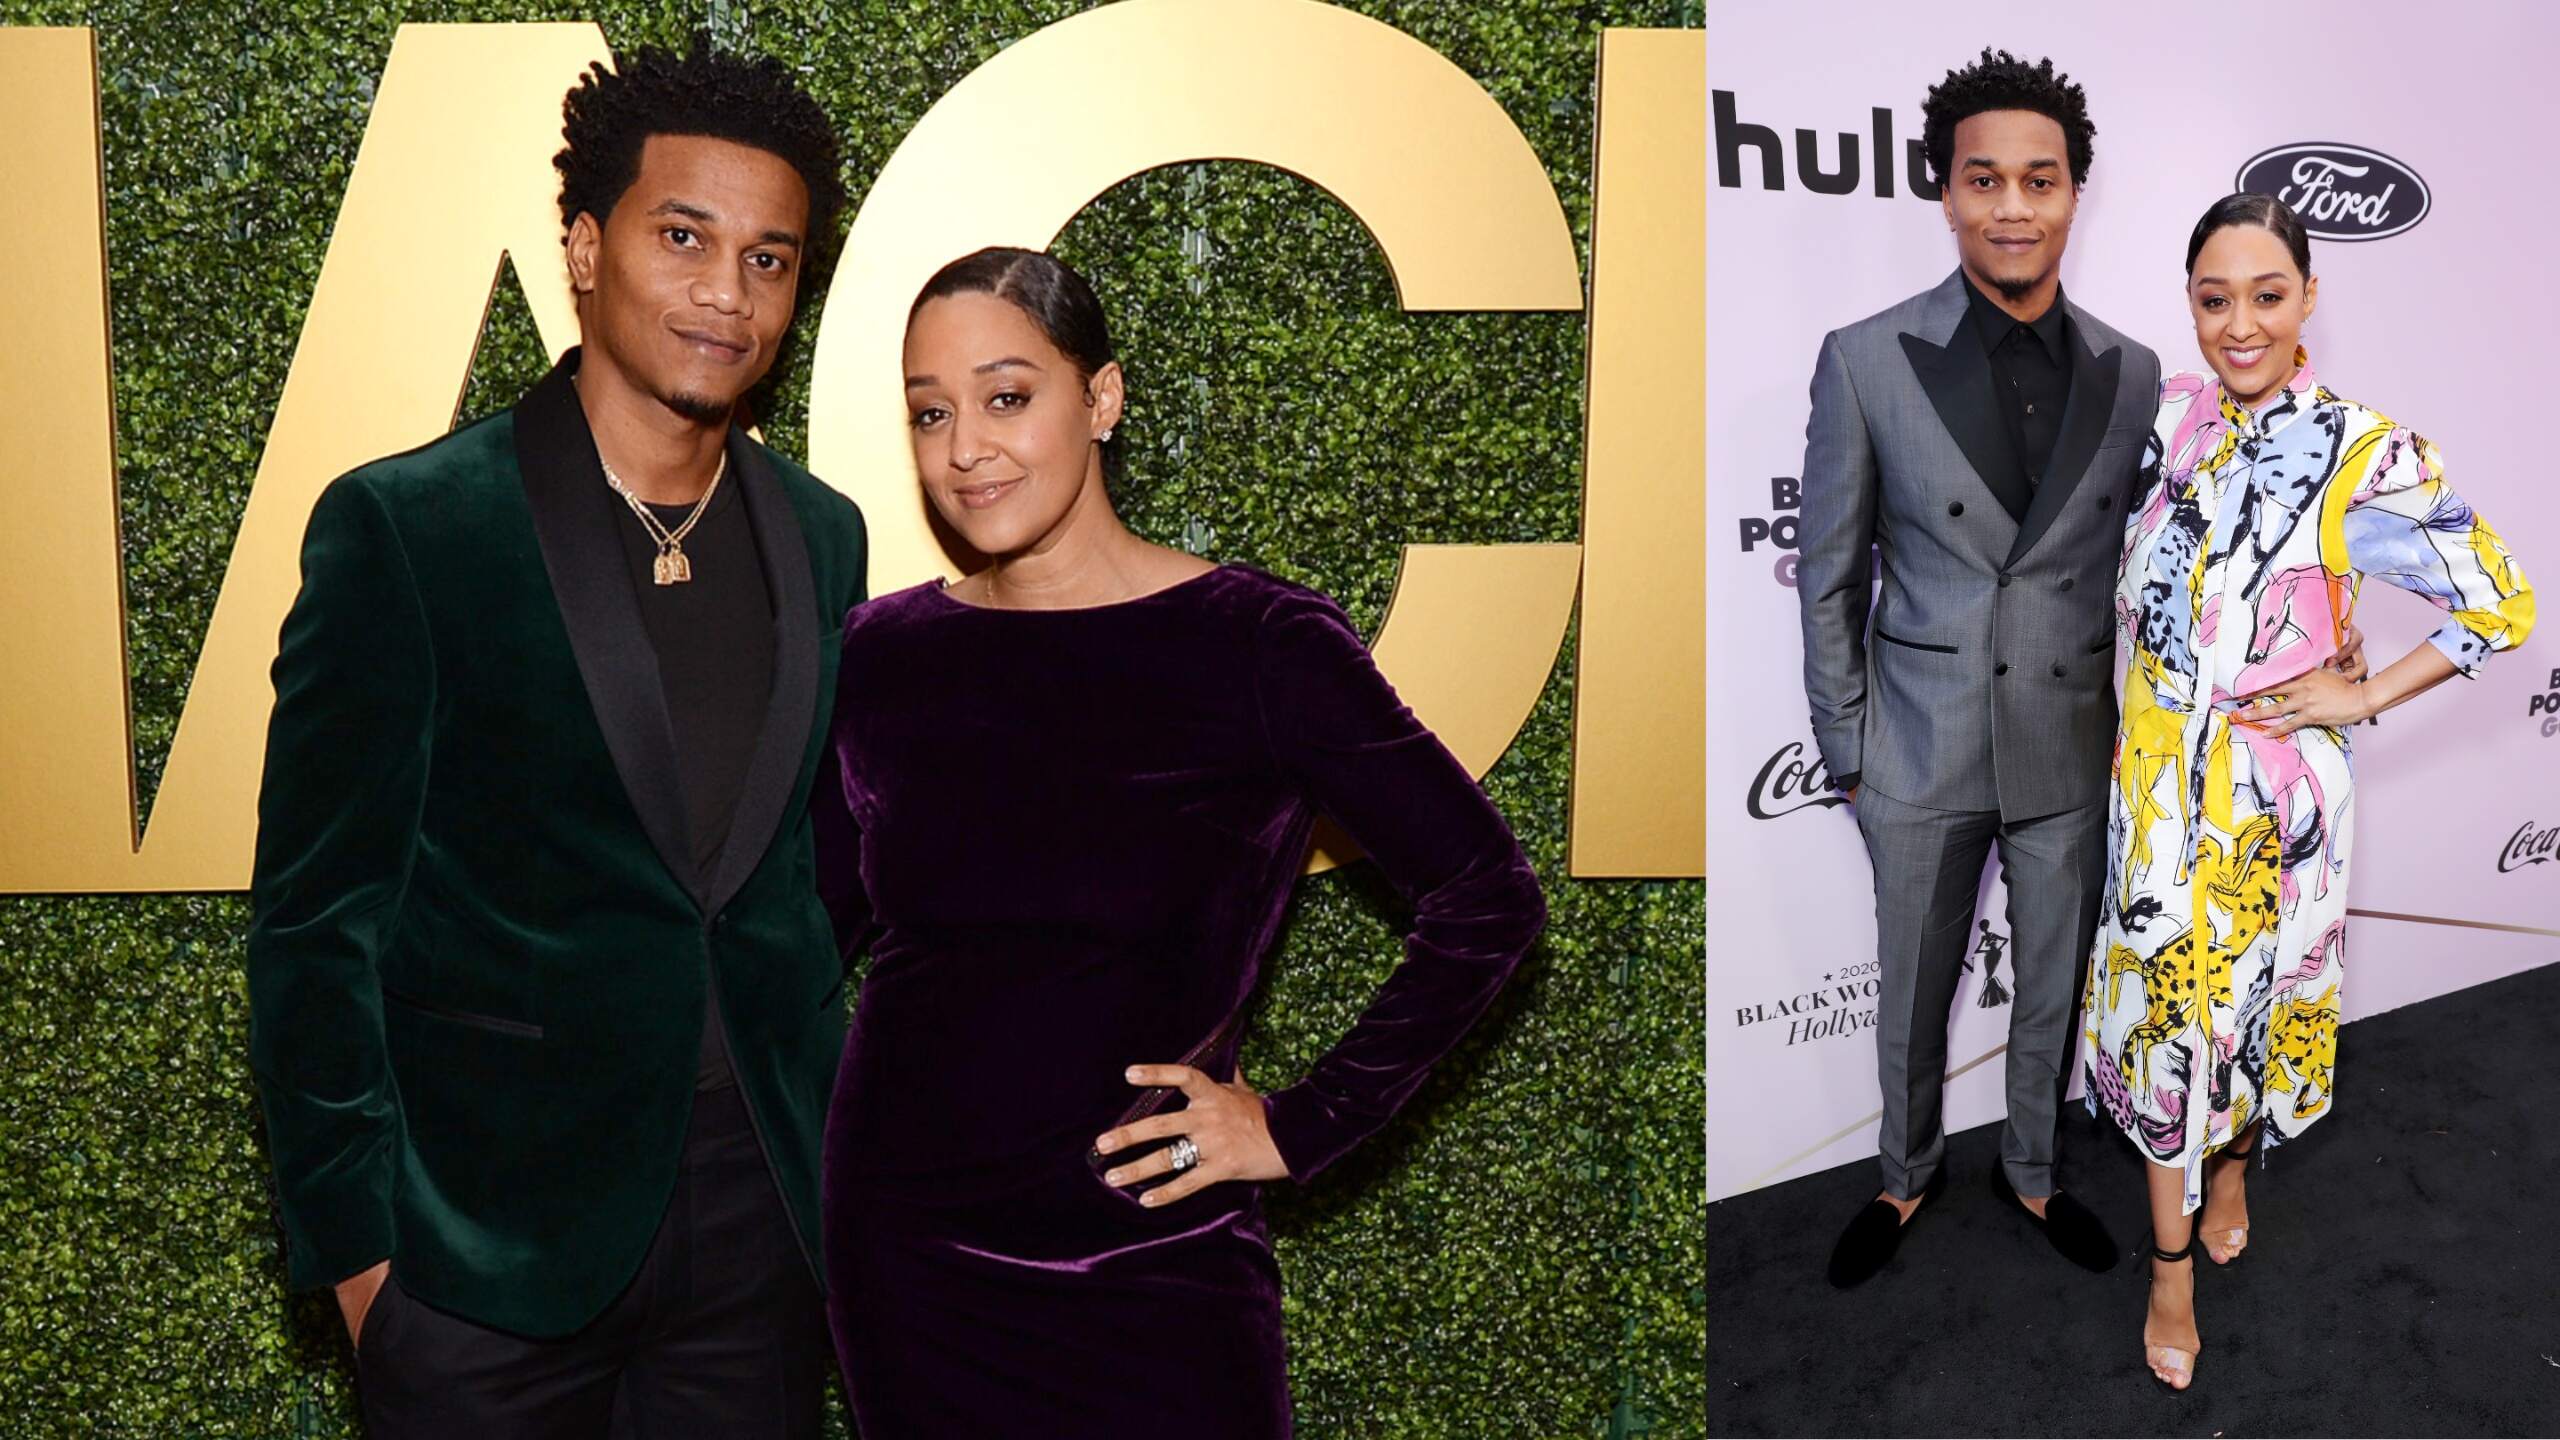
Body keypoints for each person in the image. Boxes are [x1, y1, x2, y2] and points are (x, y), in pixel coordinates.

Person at [811, 247, 1546, 1437]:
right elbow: (794, 933)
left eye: (1007, 398)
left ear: (1100, 399)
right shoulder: (883, 655)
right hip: (908, 1249)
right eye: (929, 413)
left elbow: (1485, 895)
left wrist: (1298, 1126)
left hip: (1150, 1253)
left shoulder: (1256, 643)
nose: (965, 450)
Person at [245, 36, 865, 1435]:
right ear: (585, 249)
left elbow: (800, 883)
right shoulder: (411, 528)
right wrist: (364, 1271)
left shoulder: (823, 537)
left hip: (758, 1241)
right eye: (684, 237)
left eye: (770, 259)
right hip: (482, 1257)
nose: (727, 291)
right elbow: (315, 923)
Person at [2085, 193, 2534, 1389]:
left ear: (2309, 299)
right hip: (2150, 793)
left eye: (2265, 295)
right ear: (2188, 301)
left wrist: (2363, 689)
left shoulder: (2362, 451)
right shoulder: (2165, 419)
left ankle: (2230, 1167)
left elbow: (2499, 601)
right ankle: (2168, 1268)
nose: (2238, 325)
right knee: (2165, 1023)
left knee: (2245, 1013)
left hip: (2274, 804)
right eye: (2212, 298)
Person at [1796, 48, 2159, 1289]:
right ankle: (1903, 1175)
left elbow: (2145, 559)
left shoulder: (2133, 371)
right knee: (1912, 989)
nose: (2013, 206)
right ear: (1945, 194)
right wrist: (1849, 754)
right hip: (1915, 744)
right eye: (1984, 179)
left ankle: (2034, 1167)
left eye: (2040, 181)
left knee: (2049, 978)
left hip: (2066, 746)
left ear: (2075, 195)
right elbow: (1829, 577)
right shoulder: (1865, 357)